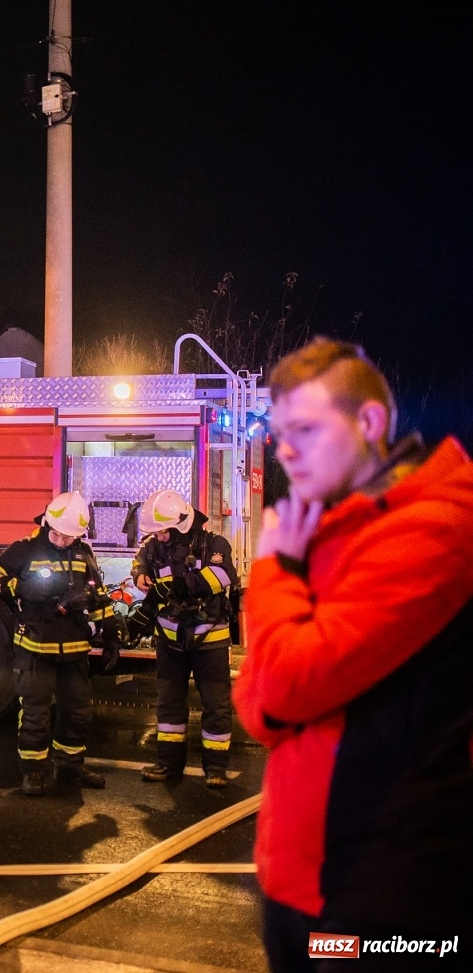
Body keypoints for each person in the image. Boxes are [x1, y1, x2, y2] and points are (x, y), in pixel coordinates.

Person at [234, 338, 473, 971]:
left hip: (380, 905)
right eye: (279, 431)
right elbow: (260, 710)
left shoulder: (435, 527)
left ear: (370, 422)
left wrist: (275, 571)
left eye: (306, 429)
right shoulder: (337, 526)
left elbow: (285, 684)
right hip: (304, 884)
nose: (284, 451)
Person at [0, 490, 120, 796]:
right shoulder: (25, 549)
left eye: (69, 537)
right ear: (47, 524)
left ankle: (71, 767)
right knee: (35, 712)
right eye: (58, 536)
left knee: (78, 710)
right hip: (35, 648)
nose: (63, 542)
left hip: (74, 649)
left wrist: (110, 634)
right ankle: (33, 772)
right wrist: (21, 588)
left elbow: (94, 594)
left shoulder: (83, 552)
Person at [131, 489, 238, 787]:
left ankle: (215, 768)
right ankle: (168, 764)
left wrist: (178, 586)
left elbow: (223, 576)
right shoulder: (154, 547)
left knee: (216, 704)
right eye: (156, 532)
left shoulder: (213, 545)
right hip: (169, 638)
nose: (159, 537)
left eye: (163, 531)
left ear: (180, 525)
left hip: (210, 638)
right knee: (169, 703)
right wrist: (140, 574)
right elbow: (140, 562)